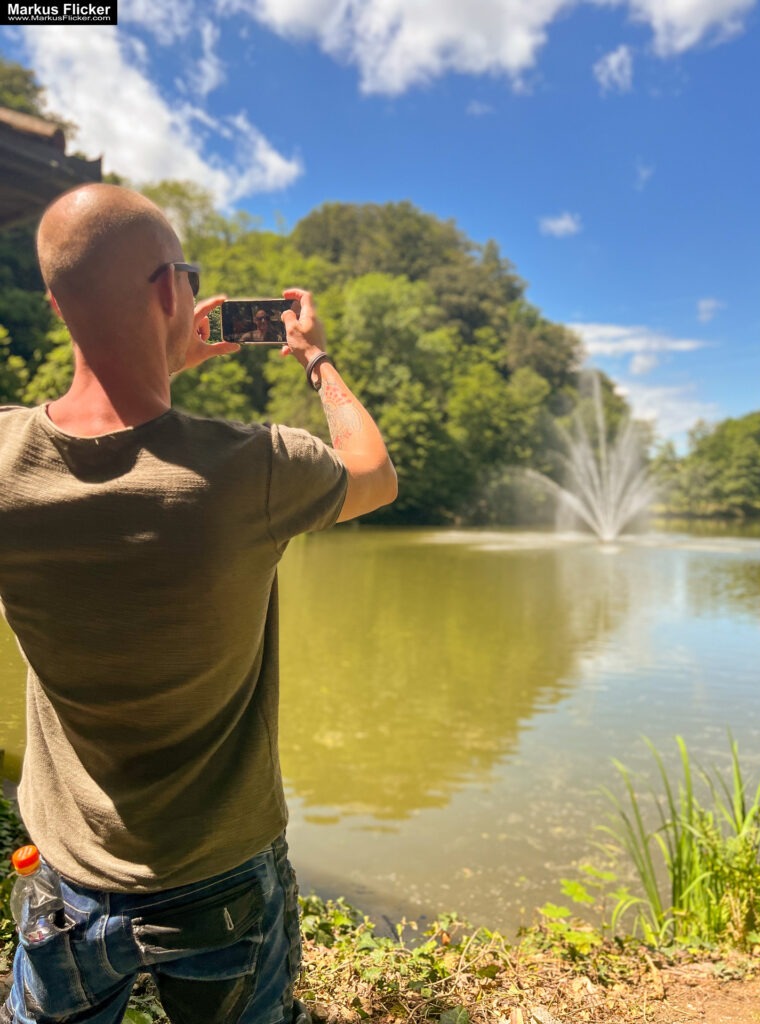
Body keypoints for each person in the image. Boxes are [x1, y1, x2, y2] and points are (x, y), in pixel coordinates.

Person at [0, 183, 397, 1024]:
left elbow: (109, 420)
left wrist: (151, 344)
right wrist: (316, 361)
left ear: (56, 302)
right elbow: (374, 470)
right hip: (219, 875)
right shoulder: (251, 471)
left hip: (66, 873)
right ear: (173, 292)